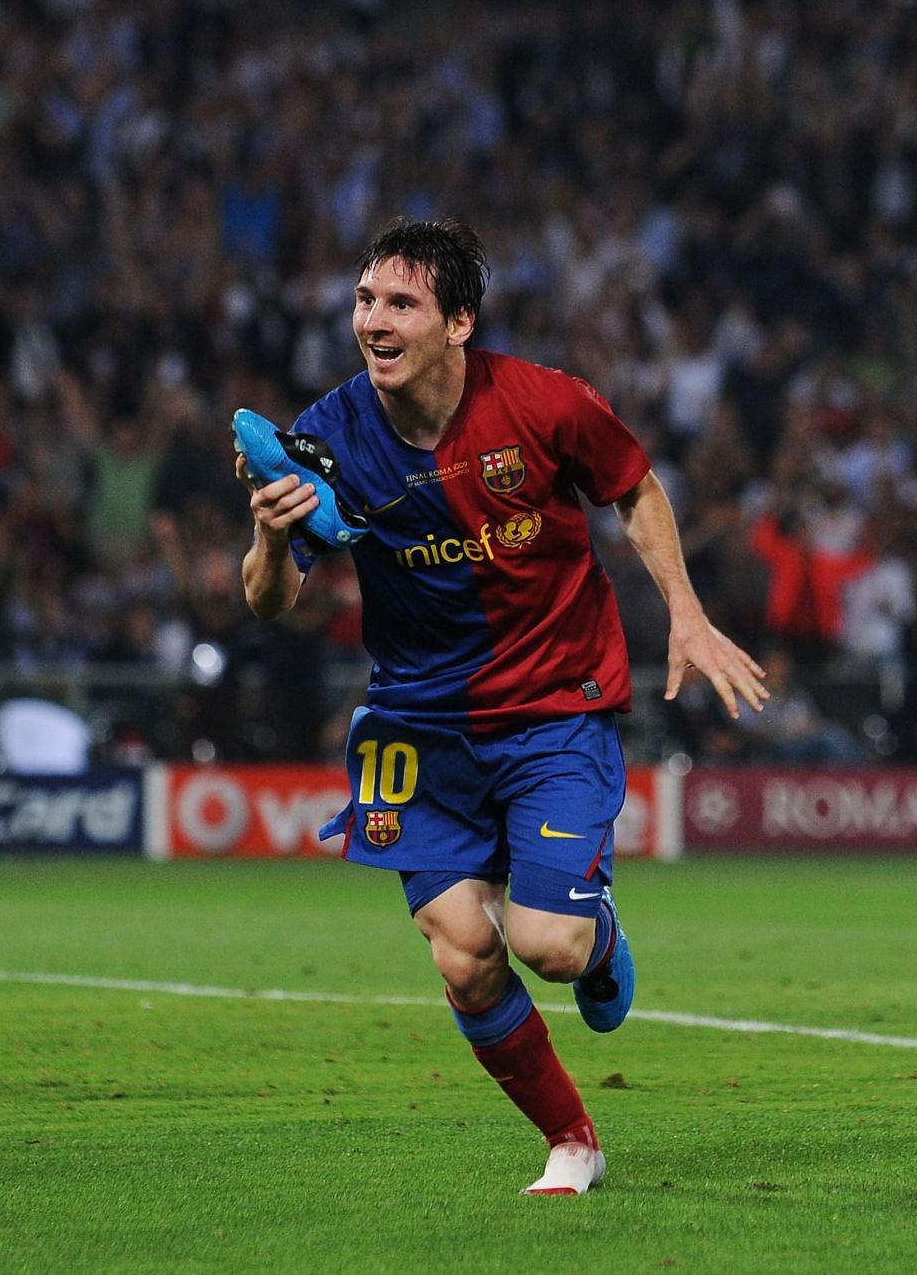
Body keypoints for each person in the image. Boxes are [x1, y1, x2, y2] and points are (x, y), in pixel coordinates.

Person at [236, 218, 764, 1197]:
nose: (374, 320)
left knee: (547, 945)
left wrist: (685, 613)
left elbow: (635, 486)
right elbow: (271, 601)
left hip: (554, 707)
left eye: (400, 303)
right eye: (364, 300)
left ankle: (600, 939)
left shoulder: (545, 404)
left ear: (459, 322)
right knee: (467, 954)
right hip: (414, 728)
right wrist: (271, 539)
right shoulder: (332, 435)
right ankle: (572, 1137)